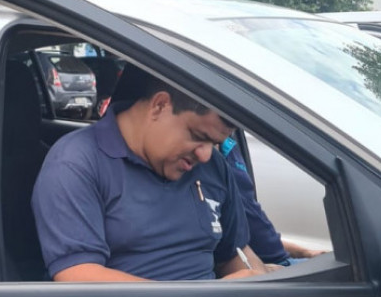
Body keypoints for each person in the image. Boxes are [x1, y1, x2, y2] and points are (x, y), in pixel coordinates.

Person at [31, 64, 267, 282]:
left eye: (214, 144)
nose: (205, 155)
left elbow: (235, 253)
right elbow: (78, 277)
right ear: (160, 106)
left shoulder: (212, 166)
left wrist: (259, 282)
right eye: (198, 136)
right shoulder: (76, 162)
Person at [220, 137, 326, 266]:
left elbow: (256, 227)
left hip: (278, 259)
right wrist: (262, 270)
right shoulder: (210, 163)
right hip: (265, 266)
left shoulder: (230, 147)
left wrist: (305, 252)